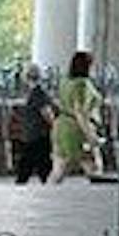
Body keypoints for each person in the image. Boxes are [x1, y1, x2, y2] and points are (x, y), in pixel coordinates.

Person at [49, 50, 105, 183]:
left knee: (59, 167)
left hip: (61, 126)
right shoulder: (82, 84)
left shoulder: (65, 81)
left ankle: (48, 190)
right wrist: (90, 135)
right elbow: (79, 112)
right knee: (93, 165)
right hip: (76, 128)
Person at [15, 63, 53, 184]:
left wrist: (53, 125)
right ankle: (48, 184)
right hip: (36, 134)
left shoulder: (38, 93)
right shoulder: (35, 92)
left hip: (37, 135)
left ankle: (22, 184)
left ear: (26, 77)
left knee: (28, 164)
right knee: (42, 164)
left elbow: (46, 112)